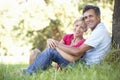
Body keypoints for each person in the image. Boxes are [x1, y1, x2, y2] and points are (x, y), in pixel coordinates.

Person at [23, 17, 87, 75]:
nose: (78, 29)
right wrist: (50, 41)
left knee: (51, 50)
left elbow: (71, 57)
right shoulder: (67, 37)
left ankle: (28, 73)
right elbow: (55, 48)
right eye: (77, 25)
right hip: (59, 64)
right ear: (73, 25)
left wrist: (56, 46)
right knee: (35, 52)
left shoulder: (84, 42)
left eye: (81, 27)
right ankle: (32, 72)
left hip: (71, 65)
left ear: (85, 30)